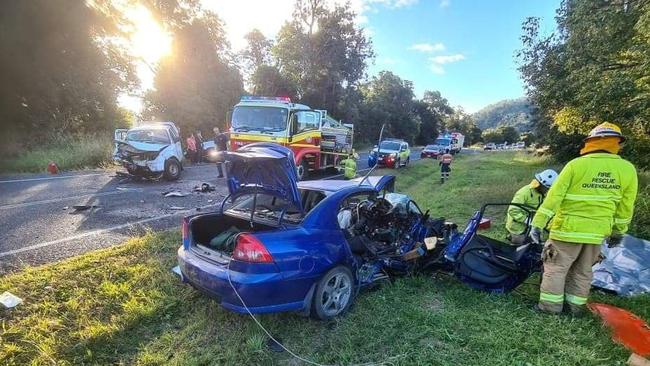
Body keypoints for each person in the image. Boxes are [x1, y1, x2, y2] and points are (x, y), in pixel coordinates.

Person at [529, 122, 638, 315]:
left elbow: (554, 198)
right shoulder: (627, 169)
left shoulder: (576, 165)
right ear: (617, 143)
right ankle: (574, 308)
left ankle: (549, 308)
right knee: (583, 271)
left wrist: (537, 224)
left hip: (567, 230)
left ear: (591, 142)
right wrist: (618, 232)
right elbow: (625, 206)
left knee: (555, 268)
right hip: (597, 233)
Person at [505, 169, 558, 245]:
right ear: (540, 184)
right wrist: (527, 220)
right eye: (546, 188)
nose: (547, 190)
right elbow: (513, 210)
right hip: (517, 227)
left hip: (534, 223)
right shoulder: (524, 193)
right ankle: (513, 237)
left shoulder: (544, 194)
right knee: (522, 244)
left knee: (536, 243)